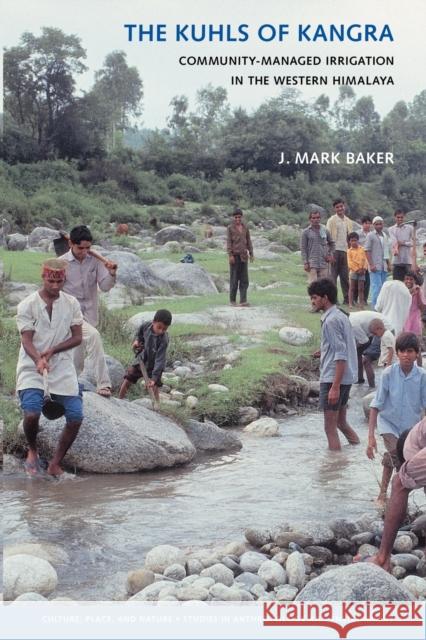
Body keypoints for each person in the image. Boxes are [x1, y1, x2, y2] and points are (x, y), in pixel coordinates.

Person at [16, 259, 84, 477]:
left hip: (62, 367)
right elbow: (26, 340)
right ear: (43, 277)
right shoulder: (27, 304)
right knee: (32, 414)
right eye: (51, 281)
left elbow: (77, 337)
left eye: (59, 281)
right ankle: (33, 450)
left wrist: (53, 350)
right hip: (32, 366)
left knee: (75, 416)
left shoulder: (71, 303)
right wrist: (38, 359)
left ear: (64, 279)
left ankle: (55, 463)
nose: (55, 286)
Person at [366, 332, 426, 507]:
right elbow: (376, 405)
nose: (406, 355)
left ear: (417, 353)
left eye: (410, 351)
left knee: (411, 461)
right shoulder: (388, 374)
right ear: (397, 353)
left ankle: (390, 496)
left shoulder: (422, 376)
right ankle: (389, 497)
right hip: (388, 424)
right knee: (395, 456)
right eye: (402, 351)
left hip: (411, 429)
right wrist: (370, 437)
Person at [62, 225, 117, 398]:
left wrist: (112, 274)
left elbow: (105, 287)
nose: (84, 251)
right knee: (94, 336)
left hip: (91, 313)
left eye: (88, 248)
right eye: (80, 248)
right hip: (71, 315)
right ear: (71, 243)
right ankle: (104, 383)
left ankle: (68, 387)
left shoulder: (95, 261)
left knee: (77, 358)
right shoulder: (61, 263)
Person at [307, 278, 360, 451]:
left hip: (333, 378)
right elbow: (342, 345)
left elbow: (341, 354)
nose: (312, 301)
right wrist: (324, 351)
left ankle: (334, 470)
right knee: (341, 422)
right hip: (346, 377)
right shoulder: (341, 315)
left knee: (330, 428)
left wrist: (334, 387)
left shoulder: (330, 321)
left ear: (325, 297)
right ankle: (357, 449)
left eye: (314, 297)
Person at [368, 418, 426, 571]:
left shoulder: (409, 447)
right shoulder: (420, 431)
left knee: (399, 482)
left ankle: (382, 558)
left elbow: (404, 481)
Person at [119, 309, 172, 401]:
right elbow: (139, 335)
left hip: (154, 366)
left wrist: (154, 378)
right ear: (153, 322)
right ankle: (120, 399)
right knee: (129, 377)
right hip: (141, 360)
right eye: (159, 327)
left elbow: (160, 360)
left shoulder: (164, 340)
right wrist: (137, 341)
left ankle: (157, 406)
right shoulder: (146, 326)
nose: (161, 331)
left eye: (164, 329)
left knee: (154, 386)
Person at [349, 310, 393, 387]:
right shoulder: (351, 319)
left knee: (366, 360)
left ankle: (372, 388)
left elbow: (364, 341)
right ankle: (359, 379)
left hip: (384, 330)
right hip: (374, 331)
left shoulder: (352, 324)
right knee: (358, 352)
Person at [326, 198, 353, 304]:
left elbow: (350, 237)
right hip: (335, 250)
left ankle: (347, 299)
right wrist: (329, 253)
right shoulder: (331, 220)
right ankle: (333, 299)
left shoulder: (348, 221)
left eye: (341, 206)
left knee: (345, 276)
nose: (340, 208)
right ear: (334, 209)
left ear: (344, 206)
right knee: (333, 276)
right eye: (337, 207)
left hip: (346, 251)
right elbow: (328, 237)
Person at [227, 208, 254, 307]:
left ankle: (243, 300)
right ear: (233, 218)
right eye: (236, 217)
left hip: (244, 256)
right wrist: (230, 255)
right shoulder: (230, 228)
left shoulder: (245, 227)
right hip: (235, 257)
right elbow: (229, 242)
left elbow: (249, 241)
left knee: (244, 279)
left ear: (242, 217)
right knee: (234, 279)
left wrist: (251, 253)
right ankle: (232, 300)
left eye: (239, 217)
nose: (238, 219)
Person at [300, 210, 334, 283]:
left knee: (323, 286)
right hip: (312, 263)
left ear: (320, 218)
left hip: (323, 263)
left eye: (318, 218)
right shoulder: (306, 232)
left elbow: (332, 243)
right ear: (310, 219)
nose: (316, 220)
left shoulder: (325, 230)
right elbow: (303, 248)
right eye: (314, 218)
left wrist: (330, 255)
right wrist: (305, 262)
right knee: (313, 286)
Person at [364, 216, 390, 307]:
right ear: (373, 225)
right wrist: (371, 264)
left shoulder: (385, 235)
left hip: (383, 266)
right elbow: (367, 250)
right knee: (376, 288)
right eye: (376, 224)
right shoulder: (370, 235)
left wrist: (388, 264)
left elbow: (386, 251)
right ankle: (374, 308)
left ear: (383, 224)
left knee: (383, 288)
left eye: (380, 224)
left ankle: (381, 307)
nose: (379, 226)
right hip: (375, 266)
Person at [389, 210, 413, 281]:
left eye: (401, 217)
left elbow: (414, 242)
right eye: (398, 217)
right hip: (397, 261)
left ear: (404, 217)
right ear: (395, 217)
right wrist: (403, 243)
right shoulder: (391, 229)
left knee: (409, 283)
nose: (400, 219)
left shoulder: (410, 228)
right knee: (397, 283)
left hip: (408, 260)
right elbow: (394, 242)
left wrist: (404, 243)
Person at [347, 232, 368, 308]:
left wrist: (364, 269)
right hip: (353, 271)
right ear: (349, 241)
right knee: (352, 288)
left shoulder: (362, 249)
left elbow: (365, 259)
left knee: (361, 288)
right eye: (352, 240)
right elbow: (350, 262)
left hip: (362, 271)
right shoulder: (349, 251)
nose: (354, 242)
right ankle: (350, 303)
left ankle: (361, 303)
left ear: (358, 240)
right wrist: (357, 269)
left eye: (355, 240)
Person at [357, 216, 372, 303]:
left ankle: (364, 300)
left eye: (369, 223)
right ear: (362, 224)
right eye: (366, 223)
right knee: (357, 281)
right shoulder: (358, 234)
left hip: (369, 260)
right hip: (359, 260)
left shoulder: (373, 234)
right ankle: (355, 299)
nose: (367, 225)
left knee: (367, 281)